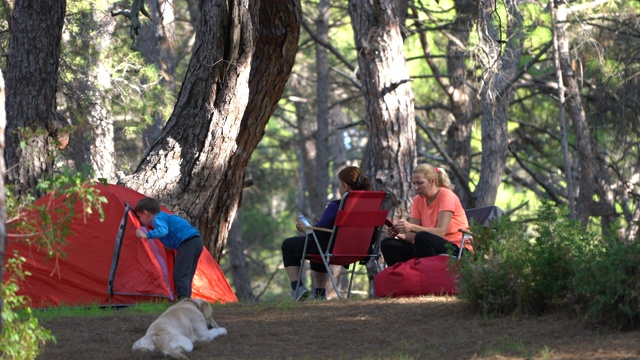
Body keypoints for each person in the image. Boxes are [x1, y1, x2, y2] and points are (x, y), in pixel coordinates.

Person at [281, 166, 372, 301]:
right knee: (320, 246)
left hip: (335, 249)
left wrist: (306, 228)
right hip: (360, 251)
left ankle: (297, 288)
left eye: (339, 185)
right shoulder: (370, 206)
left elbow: (316, 234)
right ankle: (319, 295)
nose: (339, 188)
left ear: (345, 186)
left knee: (288, 244)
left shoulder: (337, 206)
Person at [381, 164, 469, 266]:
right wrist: (398, 233)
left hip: (457, 248)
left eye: (420, 183)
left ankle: (429, 276)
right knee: (388, 244)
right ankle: (404, 279)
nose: (416, 187)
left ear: (432, 181)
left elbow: (441, 232)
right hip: (426, 245)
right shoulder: (418, 200)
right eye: (414, 184)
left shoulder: (447, 196)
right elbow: (411, 237)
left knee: (422, 237)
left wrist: (412, 227)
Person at [134, 197, 203, 300]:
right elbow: (173, 230)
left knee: (179, 274)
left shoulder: (157, 218)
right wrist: (169, 245)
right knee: (187, 275)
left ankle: (183, 300)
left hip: (188, 242)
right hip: (196, 242)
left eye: (139, 217)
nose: (139, 220)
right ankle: (187, 300)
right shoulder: (165, 217)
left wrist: (146, 235)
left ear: (145, 213)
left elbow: (163, 230)